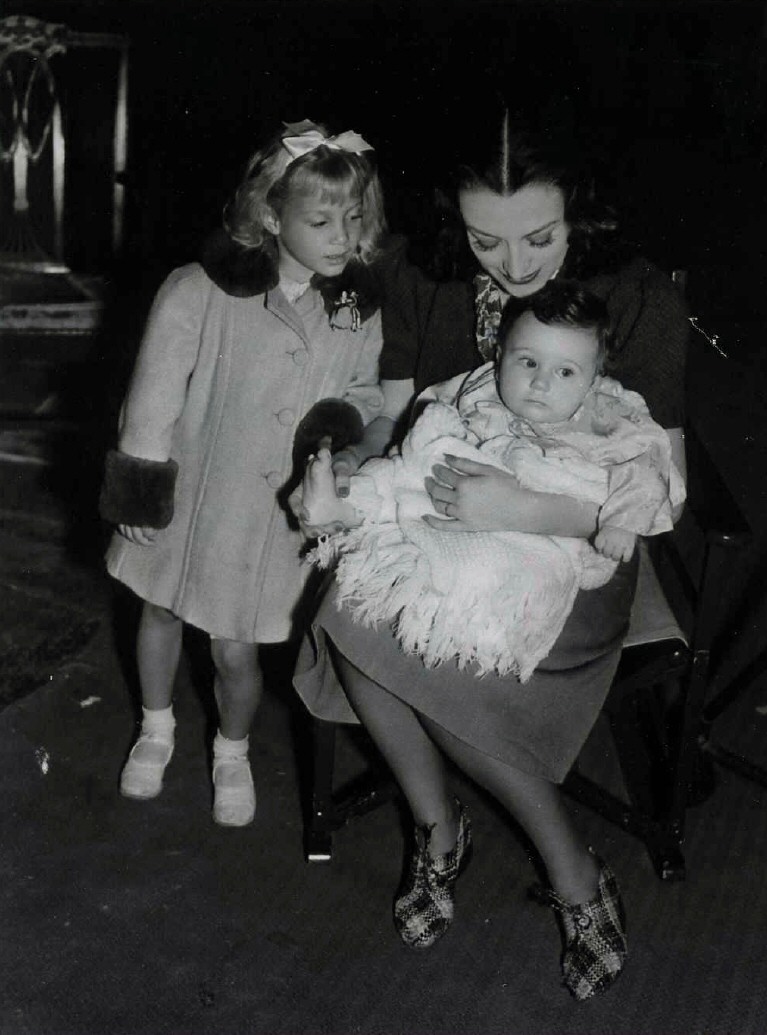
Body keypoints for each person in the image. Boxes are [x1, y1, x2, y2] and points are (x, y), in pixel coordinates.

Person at [292, 109, 689, 1001]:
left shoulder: (636, 293)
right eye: (484, 239)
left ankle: (576, 876)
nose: (512, 265)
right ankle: (439, 831)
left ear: (577, 213)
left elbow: (665, 486)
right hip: (440, 517)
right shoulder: (424, 277)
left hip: (577, 537)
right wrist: (347, 466)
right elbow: (395, 416)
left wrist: (520, 507)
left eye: (539, 237)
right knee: (351, 614)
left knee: (437, 668)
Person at [99, 118, 390, 827]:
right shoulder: (199, 290)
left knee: (236, 650)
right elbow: (153, 394)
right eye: (319, 219)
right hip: (191, 493)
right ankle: (157, 725)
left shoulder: (354, 309)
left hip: (266, 517)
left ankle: (232, 748)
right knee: (160, 610)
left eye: (351, 219)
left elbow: (362, 393)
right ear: (269, 214)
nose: (339, 236)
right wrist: (141, 483)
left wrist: (336, 439)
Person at [299, 281, 685, 684]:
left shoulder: (609, 417)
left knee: (491, 567)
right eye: (528, 362)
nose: (541, 383)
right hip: (455, 494)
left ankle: (464, 611)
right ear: (500, 357)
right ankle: (346, 504)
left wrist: (620, 522)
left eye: (566, 372)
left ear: (593, 379)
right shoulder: (481, 386)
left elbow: (648, 473)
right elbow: (429, 414)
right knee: (415, 455)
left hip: (546, 529)